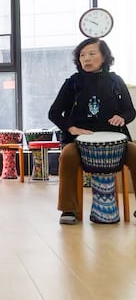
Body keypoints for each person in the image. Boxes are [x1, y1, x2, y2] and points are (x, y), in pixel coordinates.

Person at [48, 37, 136, 224]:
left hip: (116, 142)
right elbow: (54, 113)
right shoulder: (73, 82)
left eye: (92, 53)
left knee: (135, 152)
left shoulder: (115, 81)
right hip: (80, 143)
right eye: (82, 55)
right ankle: (69, 209)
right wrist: (71, 128)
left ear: (104, 57)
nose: (86, 58)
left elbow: (130, 111)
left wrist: (122, 118)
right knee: (67, 156)